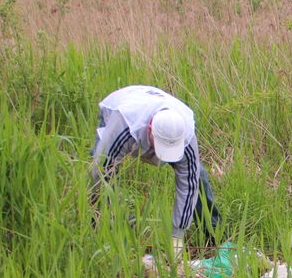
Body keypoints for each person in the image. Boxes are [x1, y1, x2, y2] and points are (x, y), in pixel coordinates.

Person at [89, 85, 220, 255]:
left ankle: (214, 238)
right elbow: (100, 173)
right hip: (119, 108)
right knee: (102, 178)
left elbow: (189, 183)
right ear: (150, 130)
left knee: (199, 176)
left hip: (155, 108)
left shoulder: (185, 131)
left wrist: (177, 234)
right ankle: (112, 239)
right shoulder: (124, 125)